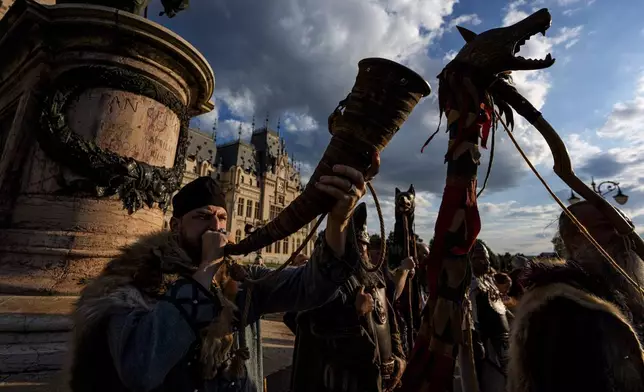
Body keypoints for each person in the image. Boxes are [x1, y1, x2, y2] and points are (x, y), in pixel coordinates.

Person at [68, 165, 367, 392]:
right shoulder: (129, 285)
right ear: (174, 226)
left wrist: (338, 221)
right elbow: (141, 369)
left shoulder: (238, 281)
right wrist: (206, 268)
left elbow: (311, 286)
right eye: (202, 216)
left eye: (223, 217)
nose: (217, 226)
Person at [507, 201, 644, 392]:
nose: (623, 236)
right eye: (606, 227)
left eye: (626, 226)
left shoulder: (619, 292)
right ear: (573, 239)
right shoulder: (559, 306)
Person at [290, 203, 406, 392]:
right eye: (358, 248)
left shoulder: (376, 281)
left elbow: (389, 321)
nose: (363, 254)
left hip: (380, 381)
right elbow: (309, 322)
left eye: (365, 248)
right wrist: (354, 312)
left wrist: (399, 358)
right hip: (344, 381)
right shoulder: (328, 283)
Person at [466, 240, 510, 392]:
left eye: (485, 257)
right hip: (485, 344)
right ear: (470, 260)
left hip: (502, 343)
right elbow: (470, 315)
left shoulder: (489, 280)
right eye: (479, 258)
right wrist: (475, 338)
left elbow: (501, 308)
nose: (484, 261)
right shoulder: (469, 284)